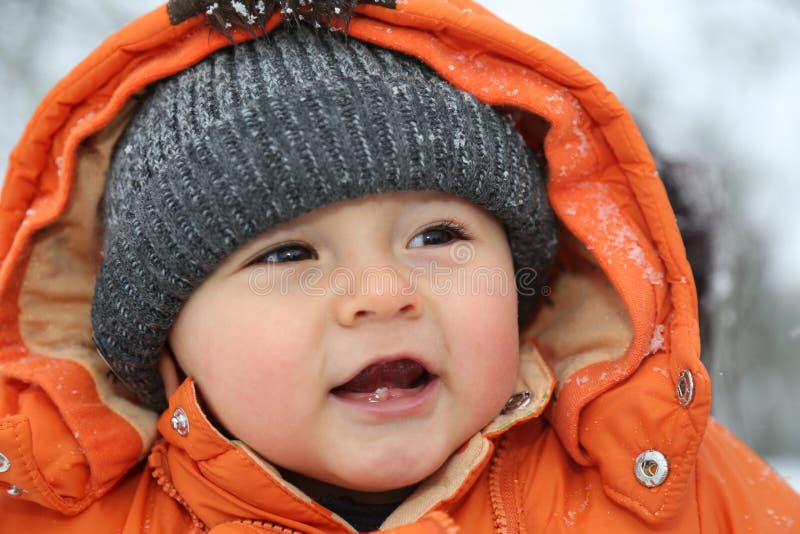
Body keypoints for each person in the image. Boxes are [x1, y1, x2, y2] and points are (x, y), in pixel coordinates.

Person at [0, 1, 797, 532]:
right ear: (164, 341)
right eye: (288, 252)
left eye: (437, 236)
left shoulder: (667, 494)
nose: (382, 295)